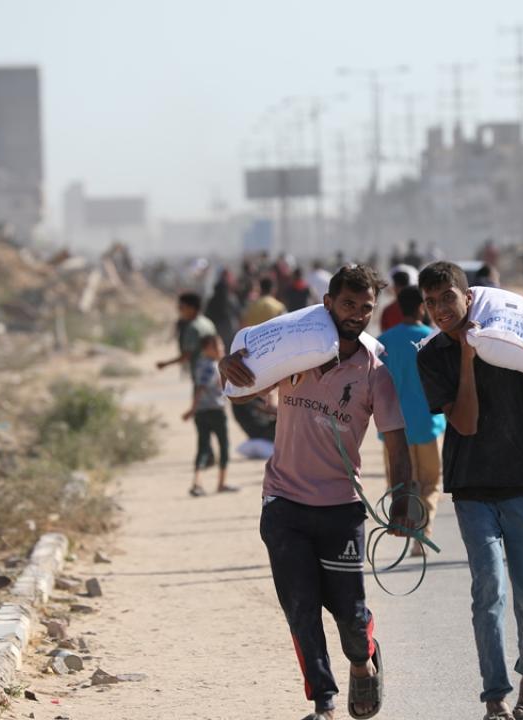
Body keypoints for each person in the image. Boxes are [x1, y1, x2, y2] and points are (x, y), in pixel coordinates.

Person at [220, 265, 412, 720]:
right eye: (348, 305)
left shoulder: (375, 372)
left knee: (350, 614)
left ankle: (363, 660)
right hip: (283, 503)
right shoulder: (297, 354)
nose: (356, 315)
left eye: (365, 308)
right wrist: (228, 368)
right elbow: (241, 393)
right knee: (301, 609)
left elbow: (396, 442)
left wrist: (403, 500)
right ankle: (323, 704)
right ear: (328, 304)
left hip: (341, 510)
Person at [418, 261, 523, 720]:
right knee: (489, 590)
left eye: (447, 298)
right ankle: (495, 694)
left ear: (468, 297)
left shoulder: (506, 335)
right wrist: (469, 357)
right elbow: (466, 423)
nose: (439, 309)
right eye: (431, 302)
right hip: (472, 486)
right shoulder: (432, 356)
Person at [377, 285, 446, 555]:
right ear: (421, 307)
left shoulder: (383, 342)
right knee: (430, 484)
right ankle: (422, 535)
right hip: (429, 424)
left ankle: (409, 526)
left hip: (394, 428)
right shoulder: (434, 338)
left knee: (403, 483)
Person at [182, 335, 235, 496]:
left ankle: (197, 482)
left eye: (221, 345)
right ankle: (221, 483)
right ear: (206, 349)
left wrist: (194, 409)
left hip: (201, 412)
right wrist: (192, 408)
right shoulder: (211, 366)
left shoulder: (200, 364)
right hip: (214, 411)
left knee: (203, 447)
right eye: (216, 346)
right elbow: (201, 387)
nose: (221, 348)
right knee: (224, 446)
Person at [157, 292, 215, 372]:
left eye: (181, 307)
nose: (179, 310)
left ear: (191, 308)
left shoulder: (192, 328)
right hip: (212, 368)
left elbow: (187, 355)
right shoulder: (207, 322)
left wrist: (165, 364)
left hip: (200, 371)